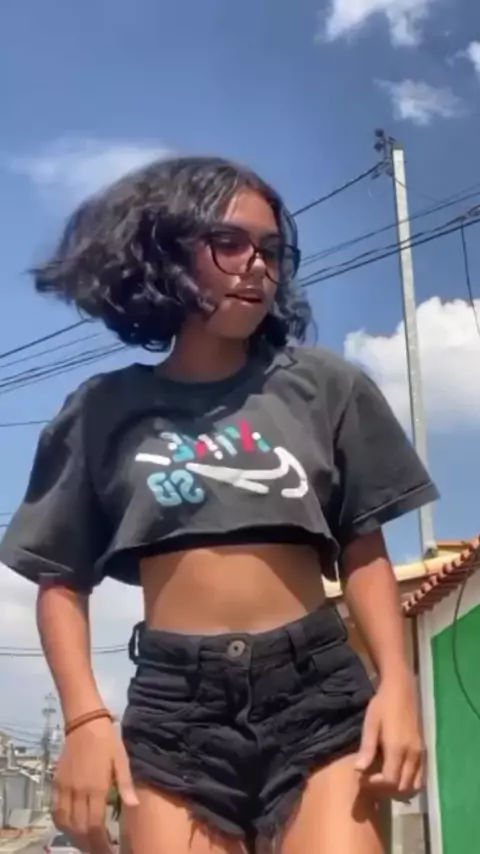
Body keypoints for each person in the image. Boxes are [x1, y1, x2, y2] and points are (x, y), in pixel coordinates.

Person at [0, 156, 438, 854]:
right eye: (229, 243)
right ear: (167, 256)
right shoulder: (102, 410)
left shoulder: (326, 387)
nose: (256, 265)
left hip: (316, 694)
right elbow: (60, 578)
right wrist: (84, 721)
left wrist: (397, 686)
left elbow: (364, 549)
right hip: (176, 710)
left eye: (270, 250)